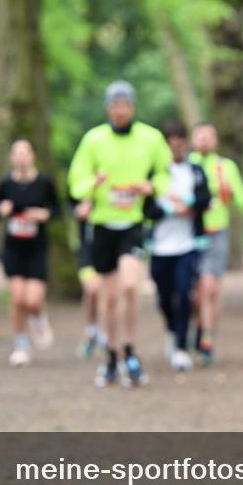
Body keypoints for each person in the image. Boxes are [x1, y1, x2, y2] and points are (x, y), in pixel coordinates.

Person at [68, 80, 172, 387]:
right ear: (108, 108)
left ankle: (129, 348)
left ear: (133, 107)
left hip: (133, 224)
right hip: (102, 225)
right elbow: (77, 181)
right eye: (115, 105)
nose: (121, 110)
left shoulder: (151, 138)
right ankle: (110, 354)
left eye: (125, 104)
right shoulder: (94, 140)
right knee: (109, 297)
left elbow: (165, 174)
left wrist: (152, 187)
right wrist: (93, 185)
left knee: (130, 286)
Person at [145, 122, 211, 372]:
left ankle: (182, 346)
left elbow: (206, 199)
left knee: (184, 292)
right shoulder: (155, 174)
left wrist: (189, 205)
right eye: (172, 145)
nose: (177, 149)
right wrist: (169, 209)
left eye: (180, 144)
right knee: (163, 296)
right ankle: (173, 330)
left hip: (188, 244)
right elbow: (148, 208)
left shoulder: (195, 171)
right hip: (160, 245)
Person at [0, 139, 60, 367]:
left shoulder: (44, 182)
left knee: (33, 300)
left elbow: (57, 210)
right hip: (13, 249)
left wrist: (44, 214)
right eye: (17, 153)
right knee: (18, 298)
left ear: (33, 156)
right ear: (12, 157)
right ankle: (20, 344)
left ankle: (39, 317)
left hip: (36, 249)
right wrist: (2, 211)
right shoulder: (5, 184)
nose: (21, 157)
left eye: (25, 153)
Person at [189, 122, 243, 366]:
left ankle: (208, 338)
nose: (204, 140)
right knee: (194, 293)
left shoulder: (226, 167)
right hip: (190, 234)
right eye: (200, 136)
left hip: (217, 233)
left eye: (209, 136)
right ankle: (196, 327)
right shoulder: (186, 164)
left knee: (210, 287)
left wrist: (230, 192)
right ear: (194, 139)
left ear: (215, 141)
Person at [72, 197, 106, 359]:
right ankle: (91, 330)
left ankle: (105, 332)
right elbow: (72, 207)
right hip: (88, 250)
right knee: (91, 289)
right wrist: (80, 210)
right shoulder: (83, 185)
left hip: (111, 247)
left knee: (107, 293)